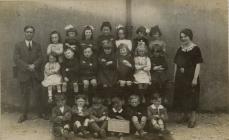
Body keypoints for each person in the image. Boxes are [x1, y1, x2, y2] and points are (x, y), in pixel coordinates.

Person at [173, 28, 203, 128]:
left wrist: (195, 78)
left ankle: (193, 118)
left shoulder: (196, 49)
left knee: (192, 97)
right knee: (181, 96)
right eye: (181, 37)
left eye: (185, 36)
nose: (183, 38)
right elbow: (176, 64)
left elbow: (198, 64)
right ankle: (185, 116)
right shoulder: (180, 48)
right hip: (180, 77)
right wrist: (174, 77)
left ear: (190, 36)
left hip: (190, 77)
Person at [13, 25, 43, 123]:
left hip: (35, 73)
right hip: (24, 74)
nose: (29, 33)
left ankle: (40, 113)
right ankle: (24, 114)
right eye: (27, 32)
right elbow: (16, 59)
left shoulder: (37, 45)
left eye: (31, 32)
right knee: (24, 94)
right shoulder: (18, 45)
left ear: (33, 33)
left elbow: (41, 58)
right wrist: (27, 66)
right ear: (24, 33)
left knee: (38, 93)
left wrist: (34, 65)